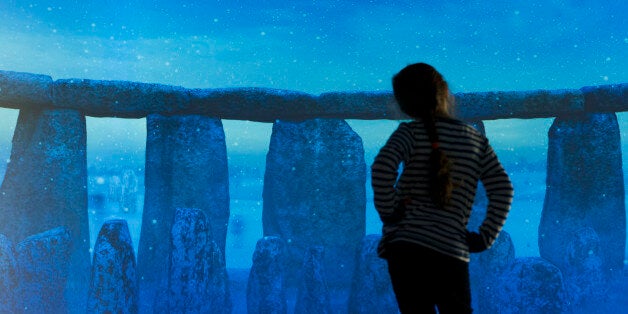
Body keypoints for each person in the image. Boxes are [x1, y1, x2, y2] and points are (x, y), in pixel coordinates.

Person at [371, 63, 514, 313]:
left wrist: (391, 212)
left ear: (405, 102)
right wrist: (485, 236)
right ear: (444, 94)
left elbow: (382, 168)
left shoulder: (408, 134)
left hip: (406, 249)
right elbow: (502, 188)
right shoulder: (473, 139)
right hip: (450, 249)